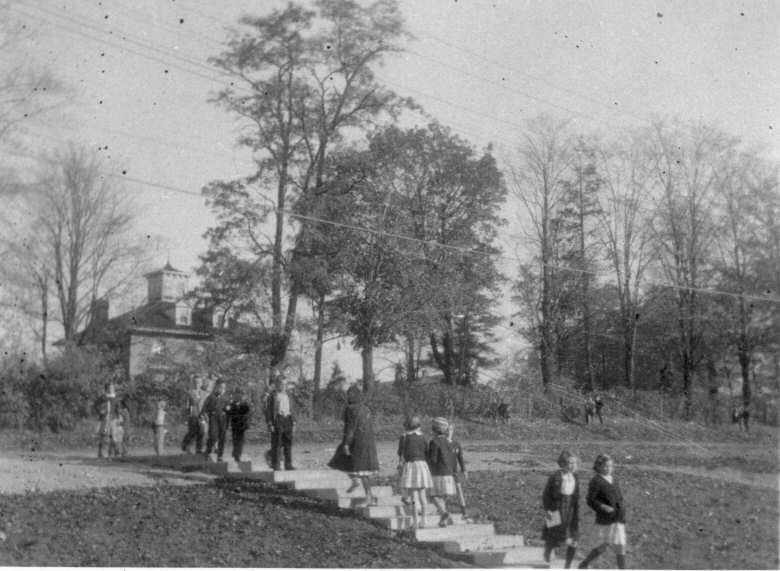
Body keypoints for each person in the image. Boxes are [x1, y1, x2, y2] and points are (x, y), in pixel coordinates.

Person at [579, 454, 627, 569]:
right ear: (598, 466)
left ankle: (622, 568)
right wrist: (602, 506)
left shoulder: (614, 479)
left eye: (610, 466)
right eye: (605, 466)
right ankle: (584, 564)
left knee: (620, 545)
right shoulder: (596, 481)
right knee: (603, 545)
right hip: (606, 519)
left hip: (618, 517)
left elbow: (618, 497)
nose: (608, 469)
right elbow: (590, 500)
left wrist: (622, 509)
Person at [340, 385, 379, 506]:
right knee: (363, 469)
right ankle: (365, 491)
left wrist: (346, 443)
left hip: (357, 442)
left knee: (362, 471)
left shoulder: (351, 409)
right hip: (369, 442)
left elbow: (351, 428)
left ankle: (367, 495)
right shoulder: (366, 408)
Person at [541, 450, 581, 568]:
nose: (573, 466)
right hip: (556, 508)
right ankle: (548, 551)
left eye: (575, 463)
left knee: (574, 537)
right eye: (570, 463)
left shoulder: (575, 477)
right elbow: (546, 494)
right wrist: (548, 509)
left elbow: (576, 496)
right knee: (553, 537)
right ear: (563, 464)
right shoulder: (556, 477)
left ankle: (567, 566)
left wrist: (577, 511)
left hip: (571, 510)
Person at [397, 415, 433, 530]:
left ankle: (415, 521)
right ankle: (424, 520)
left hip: (410, 466)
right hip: (422, 465)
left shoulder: (404, 437)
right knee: (422, 495)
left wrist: (400, 463)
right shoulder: (423, 437)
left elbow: (400, 453)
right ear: (419, 427)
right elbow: (427, 452)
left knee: (414, 496)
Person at [426, 417, 458, 527]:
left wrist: (427, 457)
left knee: (432, 496)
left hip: (437, 473)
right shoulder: (448, 442)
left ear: (433, 430)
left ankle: (444, 513)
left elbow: (433, 459)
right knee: (443, 497)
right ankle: (443, 520)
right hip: (448, 473)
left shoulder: (434, 442)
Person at [265, 372, 295, 471]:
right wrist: (270, 423)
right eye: (281, 384)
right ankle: (276, 464)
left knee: (288, 443)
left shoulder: (289, 395)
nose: (283, 386)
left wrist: (294, 421)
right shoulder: (273, 396)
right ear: (277, 384)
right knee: (277, 443)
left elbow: (293, 409)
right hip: (278, 419)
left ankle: (288, 464)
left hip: (288, 419)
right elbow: (269, 410)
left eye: (285, 384)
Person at [447, 423, 470, 521]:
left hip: (454, 471)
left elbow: (460, 458)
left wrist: (464, 470)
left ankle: (464, 512)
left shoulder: (456, 444)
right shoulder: (442, 443)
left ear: (453, 430)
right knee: (446, 493)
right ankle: (445, 512)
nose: (449, 431)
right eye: (447, 429)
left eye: (451, 429)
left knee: (459, 490)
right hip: (445, 472)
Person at [202, 379, 229, 462]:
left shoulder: (226, 398)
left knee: (222, 437)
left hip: (223, 419)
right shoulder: (210, 397)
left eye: (224, 388)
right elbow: (204, 409)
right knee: (213, 436)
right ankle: (209, 449)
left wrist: (229, 409)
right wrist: (205, 415)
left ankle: (220, 456)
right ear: (216, 387)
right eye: (220, 387)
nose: (222, 390)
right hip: (213, 418)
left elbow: (230, 409)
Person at [181, 375, 208, 454]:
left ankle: (199, 448)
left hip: (202, 415)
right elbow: (186, 406)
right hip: (193, 415)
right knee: (193, 431)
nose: (197, 384)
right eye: (195, 382)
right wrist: (186, 417)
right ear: (193, 383)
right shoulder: (189, 393)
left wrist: (206, 415)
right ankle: (186, 445)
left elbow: (206, 405)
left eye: (199, 382)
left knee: (202, 431)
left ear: (201, 383)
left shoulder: (205, 393)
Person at [225, 387, 251, 462]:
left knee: (240, 440)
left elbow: (248, 414)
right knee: (235, 439)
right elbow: (228, 414)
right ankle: (235, 452)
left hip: (242, 424)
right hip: (234, 424)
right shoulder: (232, 404)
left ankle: (238, 454)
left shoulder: (245, 404)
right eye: (237, 395)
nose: (239, 396)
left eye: (241, 395)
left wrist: (247, 423)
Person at [93, 382, 117, 458]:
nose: (112, 389)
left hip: (113, 419)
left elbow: (119, 407)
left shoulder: (115, 398)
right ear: (106, 389)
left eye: (113, 387)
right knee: (103, 436)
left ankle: (112, 453)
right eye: (110, 388)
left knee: (113, 436)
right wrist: (100, 411)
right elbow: (95, 405)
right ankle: (101, 453)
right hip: (104, 419)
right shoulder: (103, 397)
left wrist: (119, 414)